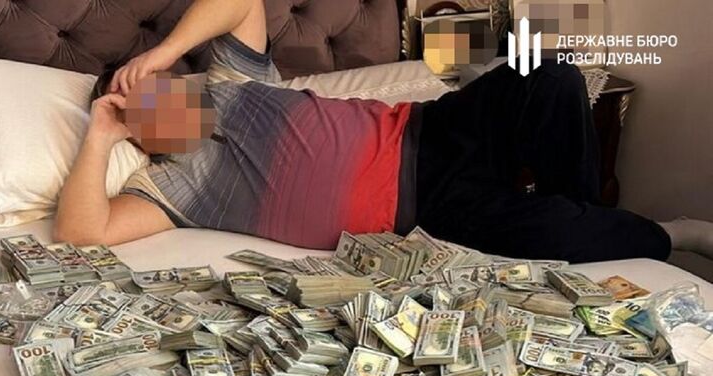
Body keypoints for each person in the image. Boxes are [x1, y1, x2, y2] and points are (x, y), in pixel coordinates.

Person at [55, 0, 713, 264]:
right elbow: (83, 234)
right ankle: (673, 231)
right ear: (130, 131)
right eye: (132, 106)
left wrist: (165, 51)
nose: (153, 99)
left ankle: (589, 214)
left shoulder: (228, 81)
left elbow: (242, 0)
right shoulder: (168, 190)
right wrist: (99, 134)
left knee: (548, 73)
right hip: (424, 210)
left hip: (436, 129)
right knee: (556, 239)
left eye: (153, 84)